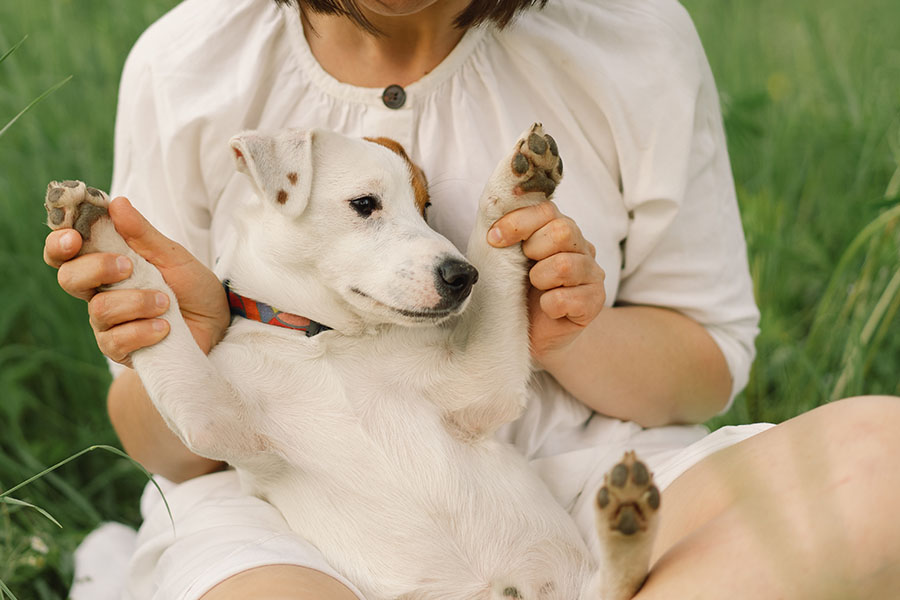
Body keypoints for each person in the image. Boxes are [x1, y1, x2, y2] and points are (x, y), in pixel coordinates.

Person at [44, 0, 900, 598]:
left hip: (590, 479)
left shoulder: (633, 37)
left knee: (883, 460)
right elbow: (192, 436)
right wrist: (182, 336)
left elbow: (702, 367)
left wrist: (561, 330)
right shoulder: (188, 61)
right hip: (302, 526)